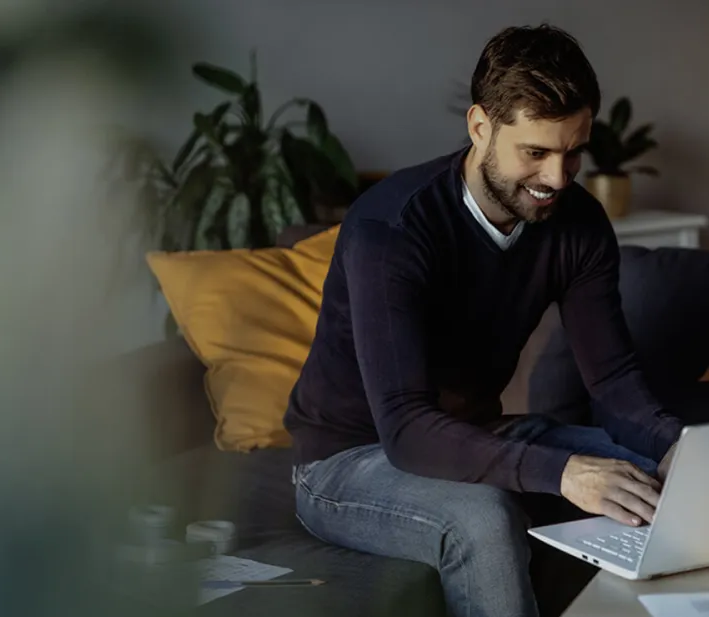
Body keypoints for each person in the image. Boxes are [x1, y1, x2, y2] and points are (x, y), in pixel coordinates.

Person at [283, 23, 684, 617]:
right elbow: (406, 430)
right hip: (349, 459)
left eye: (573, 151)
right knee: (484, 519)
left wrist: (679, 448)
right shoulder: (391, 229)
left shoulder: (578, 225)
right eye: (536, 152)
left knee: (658, 480)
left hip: (475, 435)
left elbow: (615, 384)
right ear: (480, 127)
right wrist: (564, 473)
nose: (556, 177)